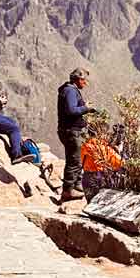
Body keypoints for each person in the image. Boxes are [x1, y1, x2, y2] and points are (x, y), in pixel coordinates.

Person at [56, 68, 97, 203]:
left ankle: (76, 186)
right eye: (84, 80)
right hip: (71, 131)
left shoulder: (69, 90)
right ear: (78, 79)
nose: (85, 83)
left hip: (70, 130)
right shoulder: (70, 91)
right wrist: (86, 108)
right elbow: (71, 110)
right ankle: (68, 191)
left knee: (77, 159)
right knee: (74, 161)